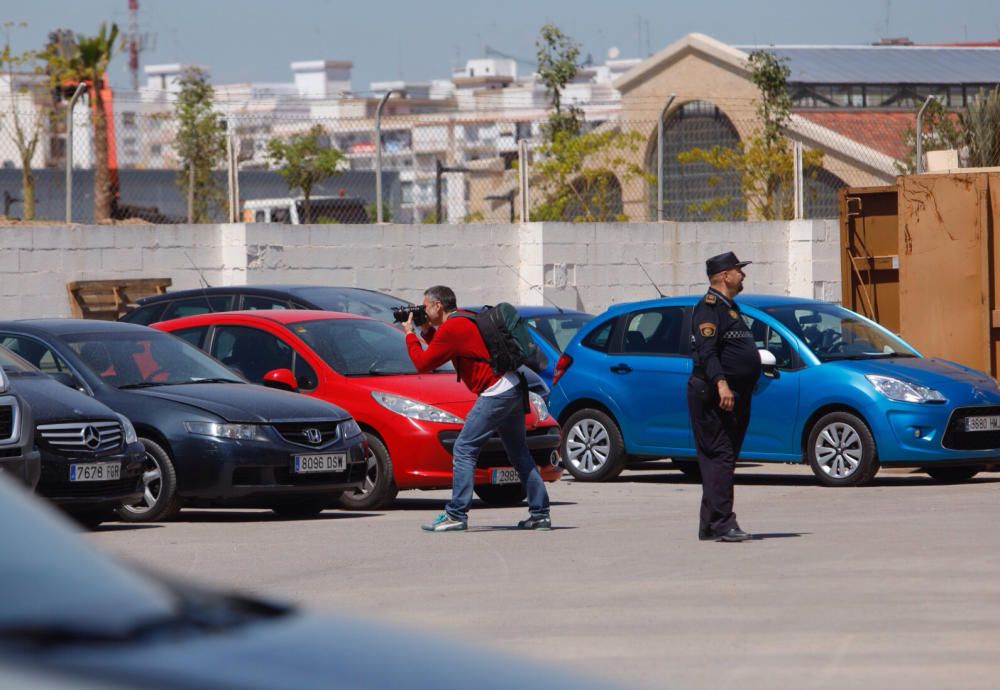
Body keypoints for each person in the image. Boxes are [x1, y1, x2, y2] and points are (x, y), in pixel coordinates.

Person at [403, 285, 551, 532]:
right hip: (512, 385)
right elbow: (447, 350)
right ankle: (540, 514)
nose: (424, 312)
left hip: (497, 392)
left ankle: (456, 514)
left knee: (464, 448)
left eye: (425, 307)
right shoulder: (463, 319)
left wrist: (409, 334)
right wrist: (426, 332)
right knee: (518, 451)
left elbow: (422, 363)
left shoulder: (452, 328)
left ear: (437, 305)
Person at [687, 252, 762, 542]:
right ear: (724, 276)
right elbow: (707, 352)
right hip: (714, 394)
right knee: (720, 456)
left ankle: (709, 523)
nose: (743, 275)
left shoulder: (729, 308)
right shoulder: (708, 309)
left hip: (735, 393)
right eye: (738, 270)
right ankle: (723, 523)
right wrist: (722, 384)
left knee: (722, 458)